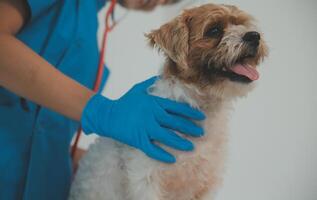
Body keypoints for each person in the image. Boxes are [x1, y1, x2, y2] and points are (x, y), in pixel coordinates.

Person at [0, 0, 205, 199]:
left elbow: (43, 136)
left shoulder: (91, 46)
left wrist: (111, 165)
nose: (158, 1)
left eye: (168, 1)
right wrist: (101, 111)